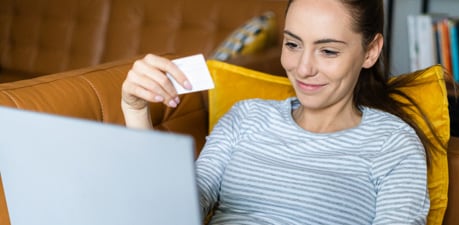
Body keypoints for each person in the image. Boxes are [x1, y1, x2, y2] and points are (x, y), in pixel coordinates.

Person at [121, 0, 441, 224]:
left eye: (328, 51)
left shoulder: (392, 143)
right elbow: (175, 210)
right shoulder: (246, 117)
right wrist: (135, 112)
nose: (303, 68)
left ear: (370, 50)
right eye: (292, 44)